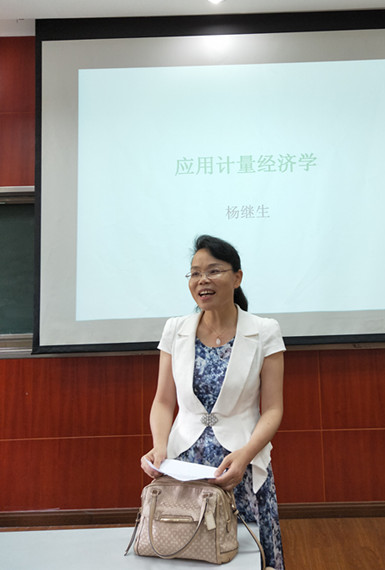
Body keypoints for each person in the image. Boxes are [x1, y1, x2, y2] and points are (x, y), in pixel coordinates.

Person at [141, 234, 286, 569]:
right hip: (184, 463)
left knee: (247, 552)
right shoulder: (175, 329)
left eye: (213, 271)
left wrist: (246, 456)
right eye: (195, 273)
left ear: (237, 277)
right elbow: (163, 401)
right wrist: (159, 448)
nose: (202, 280)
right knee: (185, 547)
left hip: (239, 462)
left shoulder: (264, 331)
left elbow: (273, 408)